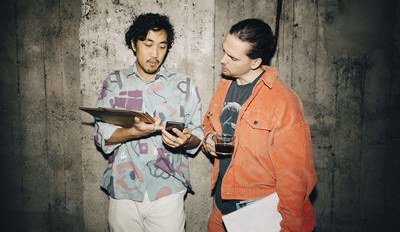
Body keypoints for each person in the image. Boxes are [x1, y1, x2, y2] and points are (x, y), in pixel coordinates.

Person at [203, 18, 317, 232]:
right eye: (224, 51)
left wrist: (290, 227)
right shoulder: (224, 87)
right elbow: (208, 126)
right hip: (222, 212)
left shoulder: (283, 101)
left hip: (258, 215)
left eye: (233, 57)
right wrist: (208, 139)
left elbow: (295, 177)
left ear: (255, 62)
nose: (222, 60)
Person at [94, 13, 203, 232]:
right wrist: (133, 132)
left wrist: (186, 140)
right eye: (148, 44)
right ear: (134, 44)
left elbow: (198, 134)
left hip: (168, 189)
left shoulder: (184, 85)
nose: (155, 54)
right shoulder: (115, 82)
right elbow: (102, 135)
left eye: (162, 46)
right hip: (124, 190)